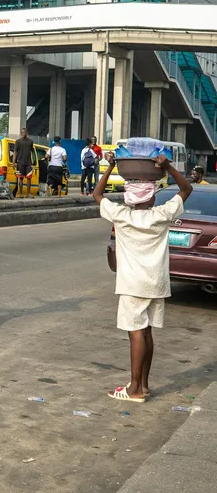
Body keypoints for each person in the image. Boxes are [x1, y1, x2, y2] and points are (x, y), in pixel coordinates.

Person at [94, 152, 193, 402]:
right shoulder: (161, 215)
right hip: (156, 283)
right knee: (147, 333)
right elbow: (186, 188)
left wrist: (110, 167)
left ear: (129, 198)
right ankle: (143, 384)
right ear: (152, 196)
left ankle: (135, 389)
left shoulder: (121, 215)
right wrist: (167, 166)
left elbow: (97, 194)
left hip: (132, 284)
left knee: (136, 332)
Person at [13, 127, 34, 198]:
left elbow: (31, 152)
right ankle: (21, 193)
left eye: (24, 132)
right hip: (20, 162)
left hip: (28, 163)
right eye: (22, 132)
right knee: (20, 178)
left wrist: (32, 162)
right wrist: (14, 162)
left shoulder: (30, 142)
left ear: (27, 133)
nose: (23, 134)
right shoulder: (18, 141)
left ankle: (28, 193)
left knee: (29, 178)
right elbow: (15, 152)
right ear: (20, 133)